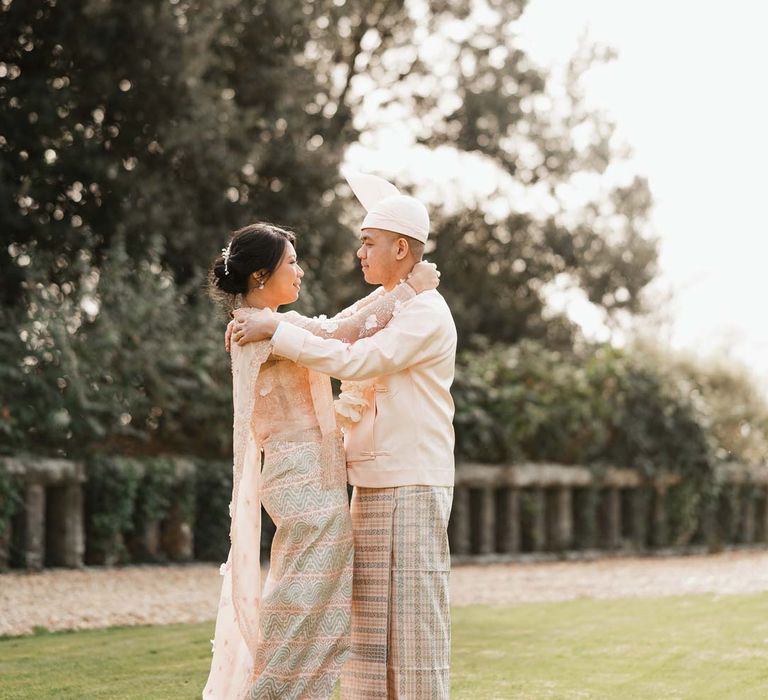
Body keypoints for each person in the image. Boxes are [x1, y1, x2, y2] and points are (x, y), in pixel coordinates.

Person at [229, 173, 457, 699]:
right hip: (368, 480)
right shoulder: (402, 304)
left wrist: (279, 331)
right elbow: (338, 327)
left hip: (409, 480)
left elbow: (355, 356)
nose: (358, 252)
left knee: (411, 631)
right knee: (369, 639)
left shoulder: (423, 312)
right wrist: (278, 329)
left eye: (368, 242)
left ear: (401, 248)